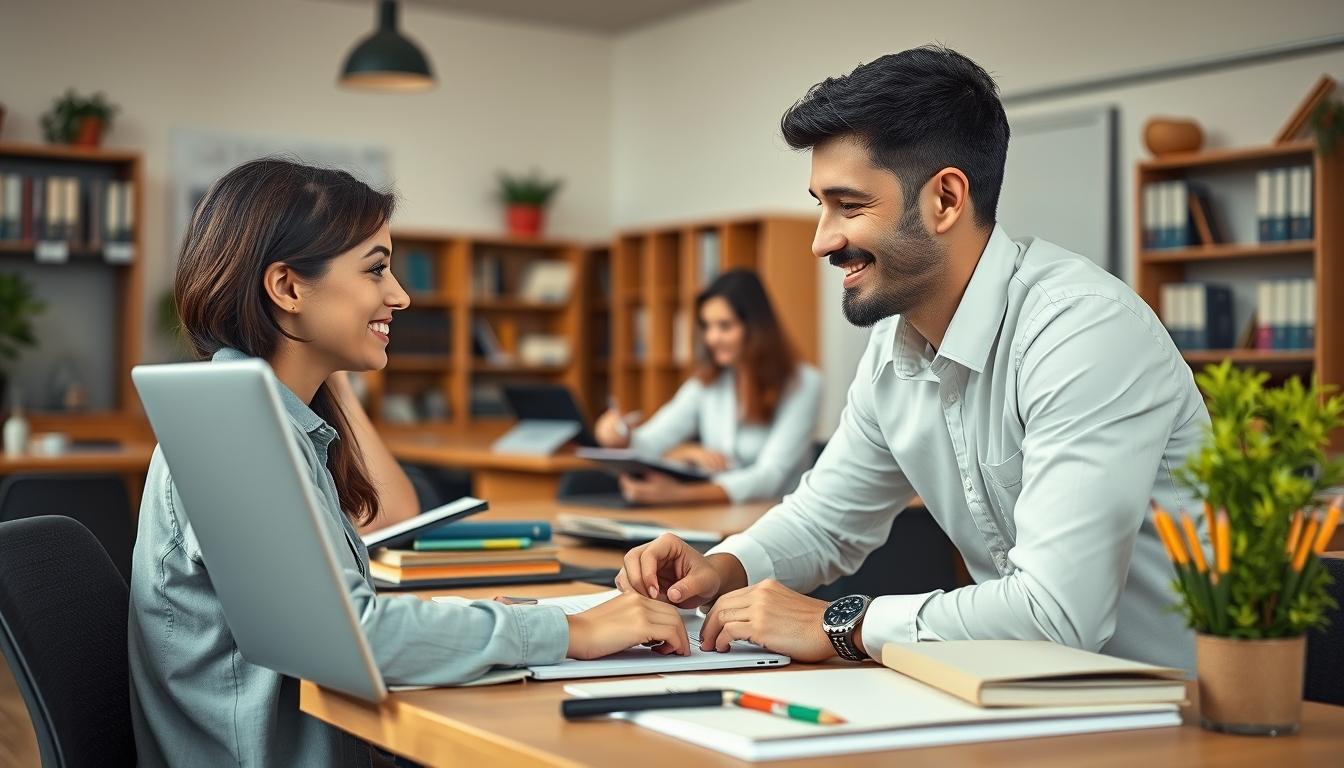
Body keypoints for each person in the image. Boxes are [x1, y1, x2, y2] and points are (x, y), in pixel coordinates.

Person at [614, 45, 1208, 673]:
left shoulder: (1082, 331)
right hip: (1017, 696)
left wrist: (840, 624)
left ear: (946, 199)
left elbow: (1059, 615)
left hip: (1170, 710)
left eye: (849, 205)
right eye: (821, 204)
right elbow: (827, 519)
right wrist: (724, 567)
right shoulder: (894, 348)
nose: (822, 240)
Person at [128, 159, 690, 767]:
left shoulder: (267, 417)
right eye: (376, 270)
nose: (400, 295)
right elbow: (349, 636)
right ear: (288, 288)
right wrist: (571, 632)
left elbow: (340, 607)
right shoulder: (231, 431)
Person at [594, 269, 822, 504]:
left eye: (724, 326)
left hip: (775, 515)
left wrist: (678, 495)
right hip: (716, 513)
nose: (711, 338)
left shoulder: (804, 385)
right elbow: (651, 441)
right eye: (707, 326)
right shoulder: (706, 383)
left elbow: (770, 476)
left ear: (756, 328)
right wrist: (620, 436)